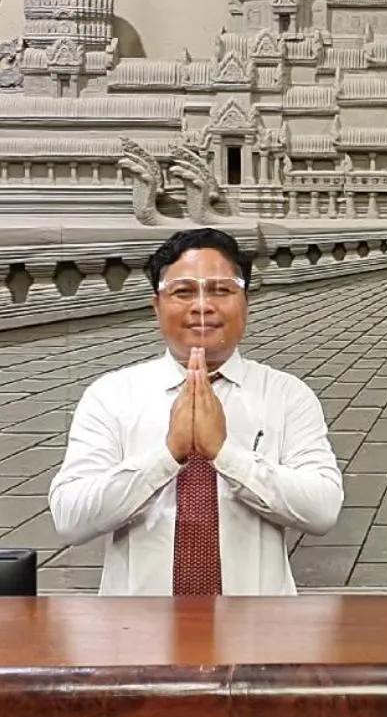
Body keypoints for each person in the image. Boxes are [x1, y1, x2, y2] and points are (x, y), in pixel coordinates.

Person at [49, 227, 343, 595]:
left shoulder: (287, 395)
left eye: (221, 290)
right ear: (156, 307)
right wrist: (168, 455)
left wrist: (225, 454)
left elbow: (322, 510)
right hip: (137, 634)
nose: (202, 305)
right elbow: (71, 519)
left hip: (258, 633)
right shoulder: (111, 396)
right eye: (183, 292)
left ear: (245, 302)